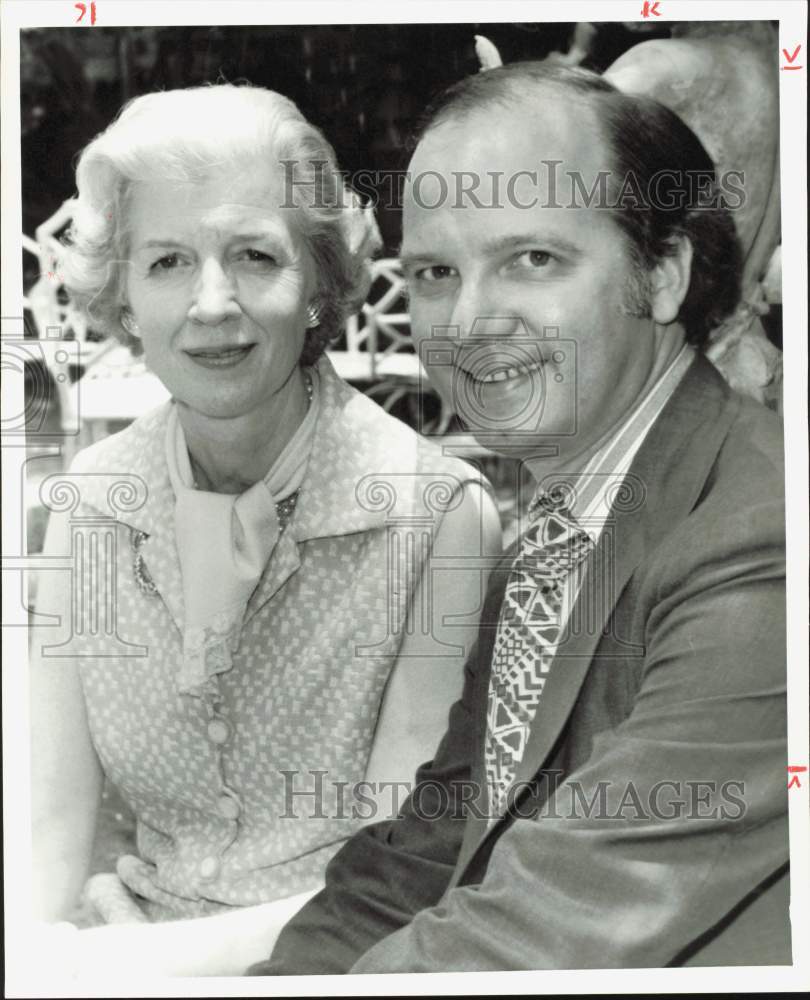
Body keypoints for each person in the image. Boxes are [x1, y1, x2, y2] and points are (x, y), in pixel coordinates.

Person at [252, 62, 789, 974]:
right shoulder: (556, 526)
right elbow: (420, 861)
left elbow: (544, 934)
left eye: (532, 259)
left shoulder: (764, 538)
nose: (468, 321)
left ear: (662, 275)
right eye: (433, 272)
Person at [29, 83, 502, 974]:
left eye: (253, 255)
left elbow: (394, 876)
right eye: (167, 261)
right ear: (123, 298)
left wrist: (135, 966)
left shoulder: (434, 514)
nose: (212, 303)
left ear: (320, 286)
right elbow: (46, 833)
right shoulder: (88, 504)